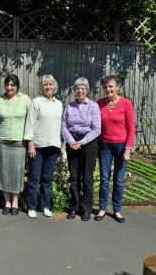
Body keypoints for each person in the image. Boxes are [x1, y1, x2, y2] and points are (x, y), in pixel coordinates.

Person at [95, 75, 135, 223]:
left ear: (117, 87)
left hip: (121, 146)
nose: (108, 89)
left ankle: (117, 210)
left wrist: (127, 149)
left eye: (111, 86)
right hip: (104, 145)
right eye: (105, 87)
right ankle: (102, 209)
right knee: (104, 179)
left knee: (118, 180)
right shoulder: (99, 103)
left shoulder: (126, 103)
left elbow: (131, 128)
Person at [61, 77, 101, 221]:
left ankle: (86, 209)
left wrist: (81, 142)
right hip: (72, 143)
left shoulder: (93, 106)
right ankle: (74, 207)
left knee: (87, 179)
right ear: (74, 90)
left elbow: (97, 129)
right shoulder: (69, 106)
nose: (80, 90)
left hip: (88, 144)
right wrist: (72, 141)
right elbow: (64, 126)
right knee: (74, 178)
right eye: (77, 88)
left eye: (83, 88)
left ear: (87, 90)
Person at [24, 75, 63, 219]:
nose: (48, 87)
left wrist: (60, 146)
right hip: (38, 146)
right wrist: (30, 144)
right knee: (34, 178)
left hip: (53, 146)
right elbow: (30, 123)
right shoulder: (36, 102)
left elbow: (59, 125)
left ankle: (45, 206)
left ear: (54, 86)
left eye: (50, 84)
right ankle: (32, 207)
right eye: (45, 85)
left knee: (47, 178)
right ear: (41, 87)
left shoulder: (59, 103)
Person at [0, 74, 31, 216]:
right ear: (4, 85)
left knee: (17, 172)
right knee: (3, 172)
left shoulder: (25, 100)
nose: (10, 87)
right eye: (7, 84)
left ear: (17, 87)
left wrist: (30, 141)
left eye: (13, 85)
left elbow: (30, 121)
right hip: (2, 141)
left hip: (19, 142)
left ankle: (15, 202)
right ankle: (7, 202)